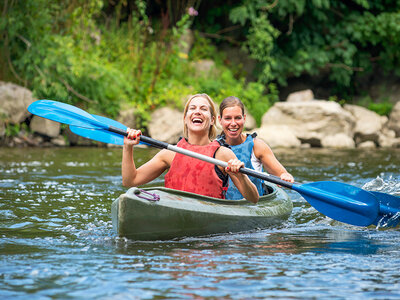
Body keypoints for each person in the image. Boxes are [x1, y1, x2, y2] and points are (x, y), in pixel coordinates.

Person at [122, 93, 259, 203]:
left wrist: (241, 177)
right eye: (192, 108)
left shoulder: (223, 155)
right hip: (174, 216)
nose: (197, 112)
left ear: (212, 120)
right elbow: (130, 181)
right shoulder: (170, 154)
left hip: (210, 229)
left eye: (203, 109)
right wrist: (128, 147)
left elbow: (253, 199)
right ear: (185, 118)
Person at [218, 96, 294, 200]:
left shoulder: (257, 146)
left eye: (237, 118)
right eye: (227, 118)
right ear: (219, 120)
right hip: (225, 207)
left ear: (244, 119)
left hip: (255, 206)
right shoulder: (214, 147)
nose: (233, 123)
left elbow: (283, 176)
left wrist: (286, 177)